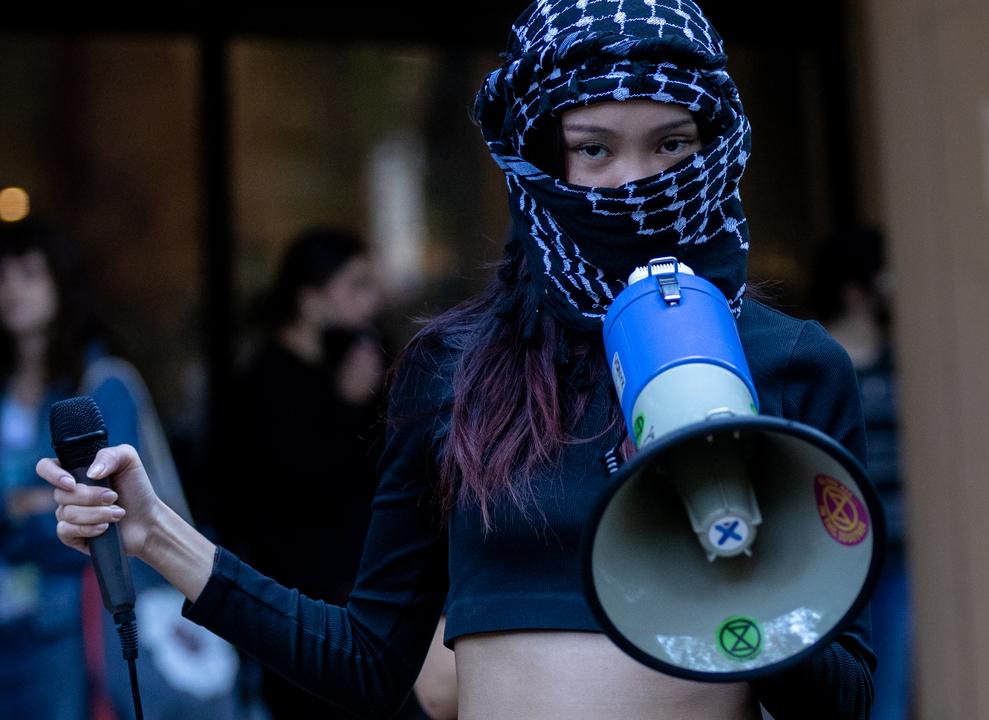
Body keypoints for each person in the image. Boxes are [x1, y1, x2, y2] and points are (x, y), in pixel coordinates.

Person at [39, 2, 877, 718]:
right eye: (594, 149)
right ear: (546, 164)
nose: (632, 182)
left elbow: (846, 698)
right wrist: (154, 535)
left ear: (715, 151)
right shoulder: (459, 366)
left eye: (670, 145)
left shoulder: (795, 366)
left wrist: (747, 563)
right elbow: (369, 661)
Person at [1, 216, 236, 719]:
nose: (11, 289)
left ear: (61, 283)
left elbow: (108, 508)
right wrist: (35, 505)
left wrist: (26, 512)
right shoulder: (5, 389)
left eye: (28, 274)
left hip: (69, 621)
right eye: (1, 276)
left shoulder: (99, 382)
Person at [226, 227, 399, 718]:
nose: (374, 299)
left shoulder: (348, 356)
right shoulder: (269, 380)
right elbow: (302, 482)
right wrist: (347, 403)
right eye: (357, 284)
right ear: (311, 296)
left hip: (351, 583)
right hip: (300, 592)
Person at [815, 227, 913, 720]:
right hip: (833, 558)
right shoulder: (814, 366)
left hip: (897, 557)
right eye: (884, 277)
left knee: (889, 694)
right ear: (857, 290)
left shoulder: (906, 362)